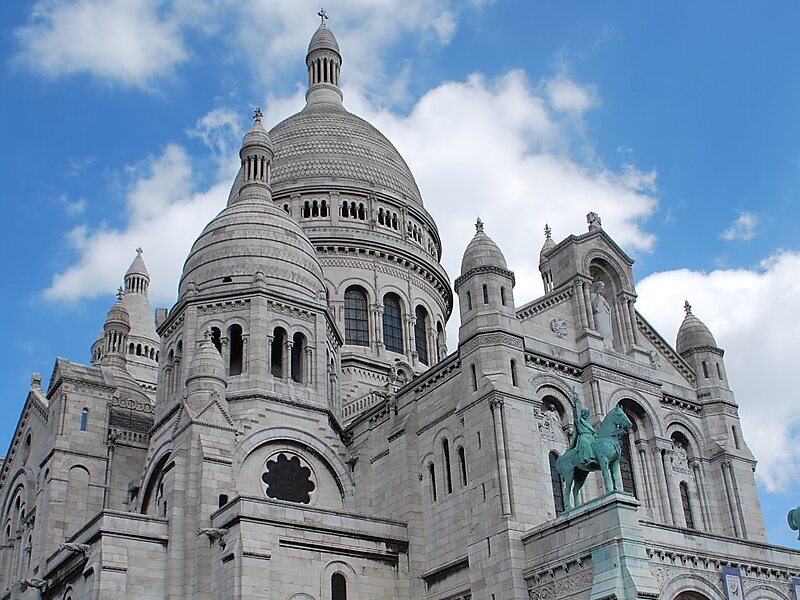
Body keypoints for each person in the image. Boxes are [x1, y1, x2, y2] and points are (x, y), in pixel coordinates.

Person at [569, 387, 597, 466]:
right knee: (587, 443)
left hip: (591, 436)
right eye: (585, 413)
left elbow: (593, 431)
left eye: (587, 414)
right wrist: (575, 401)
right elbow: (576, 413)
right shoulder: (579, 420)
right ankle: (589, 459)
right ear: (582, 413)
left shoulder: (588, 422)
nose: (586, 415)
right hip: (583, 437)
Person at [592, 281, 613, 347]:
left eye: (603, 287)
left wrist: (607, 310)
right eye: (601, 287)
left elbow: (609, 308)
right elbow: (593, 307)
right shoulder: (593, 295)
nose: (602, 289)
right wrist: (597, 298)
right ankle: (601, 344)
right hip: (598, 315)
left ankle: (608, 345)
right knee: (600, 329)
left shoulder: (602, 297)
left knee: (606, 331)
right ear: (597, 287)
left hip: (604, 315)